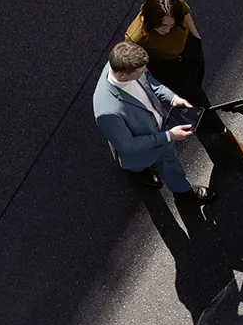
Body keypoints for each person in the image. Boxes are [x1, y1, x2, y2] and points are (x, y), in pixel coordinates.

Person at [125, 0, 243, 162]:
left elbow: (185, 14)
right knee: (198, 98)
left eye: (171, 25)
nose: (167, 30)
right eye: (162, 26)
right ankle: (222, 131)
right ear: (150, 21)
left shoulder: (176, 0)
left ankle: (201, 119)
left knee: (197, 85)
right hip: (169, 68)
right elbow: (137, 61)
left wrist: (195, 38)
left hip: (188, 52)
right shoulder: (136, 37)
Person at [93, 40, 217, 204]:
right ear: (123, 74)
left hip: (161, 131)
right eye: (141, 70)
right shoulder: (107, 111)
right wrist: (168, 136)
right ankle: (144, 173)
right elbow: (127, 145)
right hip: (146, 146)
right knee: (142, 164)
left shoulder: (122, 64)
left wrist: (172, 98)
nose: (145, 70)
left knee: (170, 162)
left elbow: (150, 83)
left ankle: (182, 189)